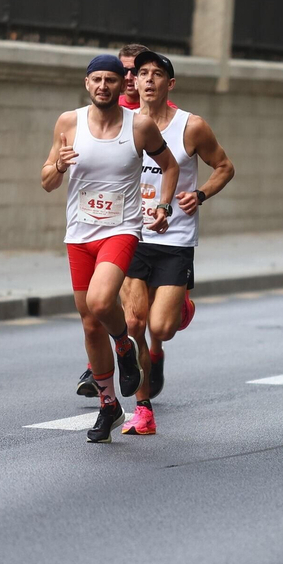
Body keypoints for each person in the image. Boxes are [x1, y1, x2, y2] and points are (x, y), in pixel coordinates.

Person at [41, 55, 179, 443]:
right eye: (97, 79)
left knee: (103, 304)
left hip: (120, 230)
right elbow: (47, 180)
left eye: (112, 80)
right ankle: (109, 406)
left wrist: (164, 206)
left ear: (124, 85)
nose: (104, 86)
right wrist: (59, 167)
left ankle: (122, 345)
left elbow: (170, 167)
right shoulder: (69, 123)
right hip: (78, 235)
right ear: (88, 84)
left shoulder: (140, 126)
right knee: (88, 323)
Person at [115, 51, 236, 436]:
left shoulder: (191, 127)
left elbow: (225, 167)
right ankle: (144, 410)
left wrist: (198, 195)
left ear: (171, 84)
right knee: (134, 323)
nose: (147, 80)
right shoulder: (122, 125)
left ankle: (179, 303)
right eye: (142, 73)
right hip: (132, 234)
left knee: (161, 328)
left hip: (175, 239)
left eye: (157, 74)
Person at [77, 43, 176, 399]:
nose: (133, 79)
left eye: (138, 71)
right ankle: (105, 364)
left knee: (153, 320)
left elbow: (174, 166)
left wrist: (167, 204)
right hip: (109, 224)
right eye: (128, 71)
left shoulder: (157, 119)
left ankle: (153, 349)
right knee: (112, 308)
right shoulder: (99, 113)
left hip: (156, 227)